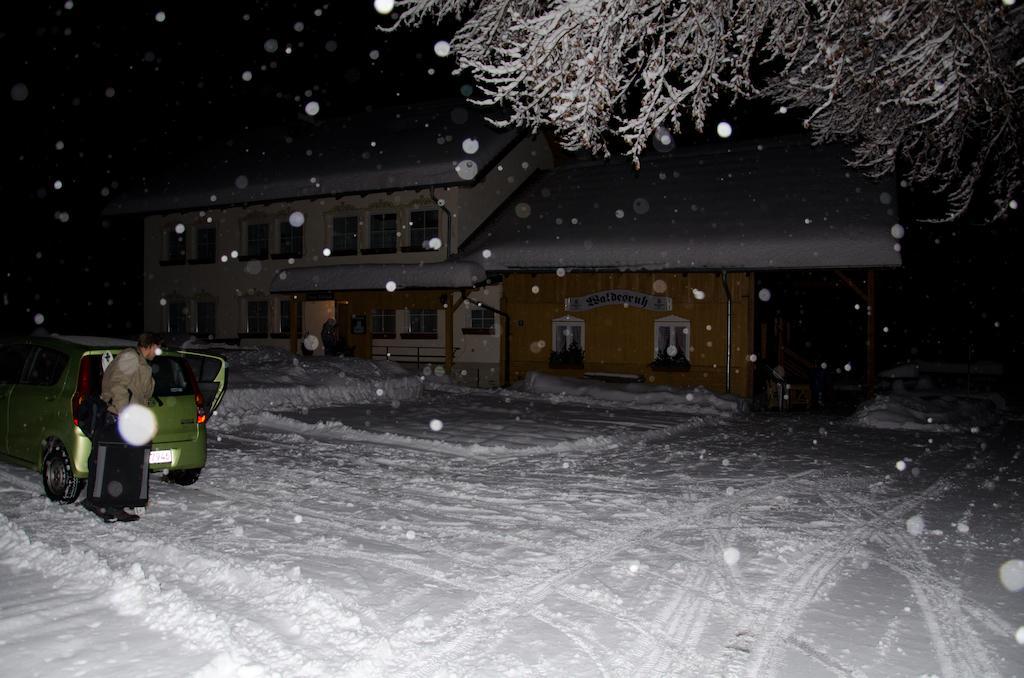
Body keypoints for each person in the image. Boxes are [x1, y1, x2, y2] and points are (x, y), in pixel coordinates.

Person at [82, 333, 160, 522]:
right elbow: (118, 386)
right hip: (119, 418)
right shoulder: (130, 357)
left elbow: (143, 391)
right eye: (156, 348)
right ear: (148, 346)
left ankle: (101, 501)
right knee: (118, 465)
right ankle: (112, 506)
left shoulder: (139, 361)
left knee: (116, 462)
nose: (157, 353)